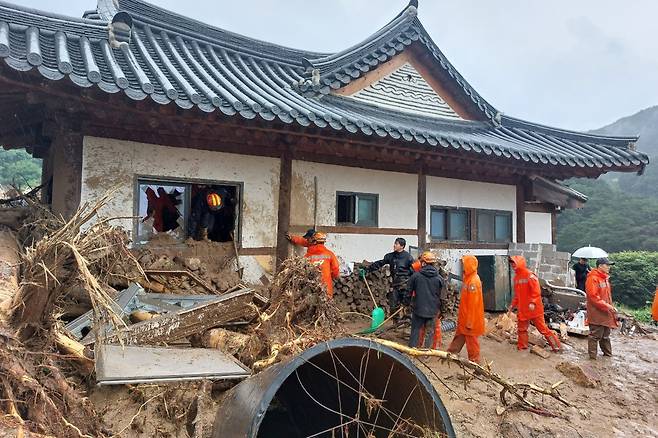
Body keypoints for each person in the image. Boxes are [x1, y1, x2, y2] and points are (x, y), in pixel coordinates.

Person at [509, 256, 561, 352]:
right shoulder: (516, 278)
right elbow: (517, 295)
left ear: (519, 263)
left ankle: (556, 346)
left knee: (542, 329)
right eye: (511, 263)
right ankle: (522, 346)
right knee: (521, 329)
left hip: (534, 308)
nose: (512, 265)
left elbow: (536, 291)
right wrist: (512, 305)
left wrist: (532, 302)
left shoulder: (530, 275)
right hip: (523, 308)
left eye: (514, 263)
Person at [361, 238, 415, 317]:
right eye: (395, 243)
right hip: (395, 285)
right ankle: (396, 323)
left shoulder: (408, 258)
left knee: (407, 305)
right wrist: (368, 269)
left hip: (405, 285)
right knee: (393, 305)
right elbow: (380, 263)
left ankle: (407, 322)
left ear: (402, 246)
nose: (394, 245)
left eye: (396, 244)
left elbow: (413, 272)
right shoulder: (390, 256)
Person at [447, 255, 485, 363]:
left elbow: (473, 305)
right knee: (459, 336)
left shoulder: (473, 282)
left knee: (471, 341)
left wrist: (469, 321)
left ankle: (475, 362)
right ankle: (451, 354)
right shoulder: (469, 278)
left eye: (464, 264)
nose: (463, 266)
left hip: (470, 319)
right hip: (465, 317)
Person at [287, 229, 340, 298]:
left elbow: (302, 273)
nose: (307, 241)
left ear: (313, 241)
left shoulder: (307, 257)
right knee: (325, 305)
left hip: (311, 289)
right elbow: (336, 270)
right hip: (326, 288)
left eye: (308, 239)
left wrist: (292, 238)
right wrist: (330, 276)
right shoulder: (329, 254)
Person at [407, 251, 444, 348]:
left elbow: (408, 292)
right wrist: (442, 311)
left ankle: (412, 351)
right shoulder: (439, 279)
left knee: (415, 330)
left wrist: (406, 304)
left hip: (418, 309)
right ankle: (427, 353)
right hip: (432, 310)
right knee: (430, 332)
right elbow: (442, 297)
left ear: (423, 263)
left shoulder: (415, 277)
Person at [585, 257, 617, 360]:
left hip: (606, 311)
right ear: (600, 266)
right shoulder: (593, 278)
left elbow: (606, 296)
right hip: (596, 312)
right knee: (595, 335)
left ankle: (608, 356)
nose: (609, 267)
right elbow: (593, 297)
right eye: (607, 265)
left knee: (606, 335)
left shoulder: (605, 278)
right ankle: (592, 359)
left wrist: (609, 306)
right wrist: (607, 306)